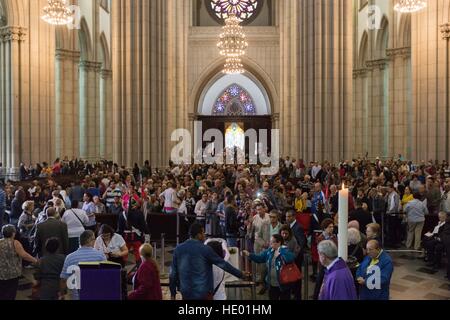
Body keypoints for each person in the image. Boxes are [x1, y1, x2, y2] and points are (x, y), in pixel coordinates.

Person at [169, 223, 245, 300]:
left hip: (186, 293)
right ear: (198, 235)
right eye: (203, 233)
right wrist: (241, 274)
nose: (204, 236)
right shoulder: (205, 249)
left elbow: (173, 274)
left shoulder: (178, 249)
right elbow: (223, 264)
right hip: (204, 294)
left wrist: (172, 294)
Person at [243, 234, 295, 300]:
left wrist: (280, 250)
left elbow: (290, 258)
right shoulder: (269, 251)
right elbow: (260, 258)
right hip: (271, 284)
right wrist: (249, 254)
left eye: (272, 242)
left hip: (284, 284)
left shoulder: (285, 250)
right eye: (270, 241)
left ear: (278, 242)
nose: (270, 243)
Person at [60, 230, 107, 300]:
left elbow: (63, 279)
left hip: (77, 296)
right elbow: (106, 276)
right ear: (91, 240)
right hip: (96, 294)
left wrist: (62, 294)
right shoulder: (101, 255)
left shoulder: (70, 257)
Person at [0, 225, 38, 300]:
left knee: (2, 292)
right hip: (13, 273)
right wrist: (35, 260)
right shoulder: (15, 243)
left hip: (1, 273)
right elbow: (24, 255)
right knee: (10, 293)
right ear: (13, 233)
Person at [248, 203, 270, 294]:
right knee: (258, 262)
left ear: (264, 209)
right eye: (257, 210)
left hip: (268, 242)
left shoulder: (269, 217)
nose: (259, 211)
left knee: (267, 263)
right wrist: (249, 224)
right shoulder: (255, 217)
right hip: (258, 242)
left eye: (260, 209)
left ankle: (266, 283)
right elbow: (250, 231)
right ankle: (260, 281)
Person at [285, 210, 306, 300]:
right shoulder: (290, 227)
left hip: (296, 258)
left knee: (297, 278)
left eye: (289, 216)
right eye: (286, 216)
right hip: (291, 256)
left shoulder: (298, 227)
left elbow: (301, 243)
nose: (287, 218)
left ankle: (298, 296)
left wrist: (295, 255)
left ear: (294, 217)